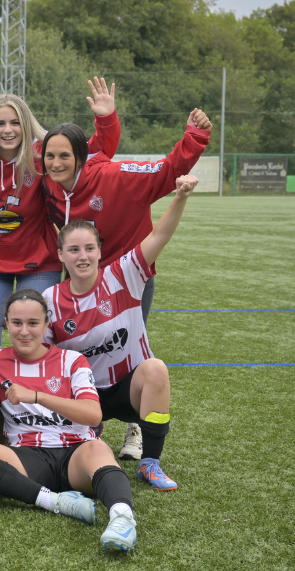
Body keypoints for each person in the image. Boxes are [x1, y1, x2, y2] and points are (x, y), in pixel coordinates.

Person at [40, 109, 210, 459]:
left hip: (127, 280)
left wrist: (193, 137)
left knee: (128, 355)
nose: (56, 164)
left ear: (80, 157)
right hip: (80, 279)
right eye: (50, 157)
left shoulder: (117, 176)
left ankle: (136, 427)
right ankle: (87, 420)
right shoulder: (49, 186)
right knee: (78, 351)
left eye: (64, 156)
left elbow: (166, 172)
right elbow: (98, 142)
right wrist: (106, 119)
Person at [0, 290, 139, 552]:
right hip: (28, 459)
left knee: (98, 447)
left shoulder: (72, 360)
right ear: (6, 323)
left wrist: (38, 396)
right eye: (17, 323)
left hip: (75, 454)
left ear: (47, 324)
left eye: (33, 323)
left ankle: (122, 518)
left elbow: (93, 415)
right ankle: (56, 502)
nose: (24, 331)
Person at [43, 175, 199, 493]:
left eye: (89, 248)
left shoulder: (124, 273)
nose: (82, 256)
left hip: (128, 389)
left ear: (101, 251)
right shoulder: (49, 300)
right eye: (73, 250)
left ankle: (150, 463)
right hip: (85, 395)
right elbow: (40, 360)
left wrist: (180, 196)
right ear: (61, 256)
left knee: (155, 370)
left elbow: (160, 234)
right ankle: (83, 439)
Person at [0, 78, 120, 351]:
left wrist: (106, 119)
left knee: (37, 338)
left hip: (39, 261)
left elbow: (96, 151)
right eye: (0, 123)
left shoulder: (43, 154)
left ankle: (34, 391)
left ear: (26, 125)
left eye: (15, 123)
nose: (7, 130)